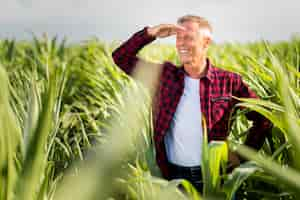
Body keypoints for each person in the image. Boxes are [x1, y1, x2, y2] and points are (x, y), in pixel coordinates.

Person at [112, 15, 271, 193]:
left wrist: (241, 156)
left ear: (205, 42)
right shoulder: (165, 76)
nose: (181, 44)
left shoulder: (229, 82)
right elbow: (121, 57)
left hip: (215, 177)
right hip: (172, 178)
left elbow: (264, 118)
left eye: (189, 37)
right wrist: (151, 33)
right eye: (178, 38)